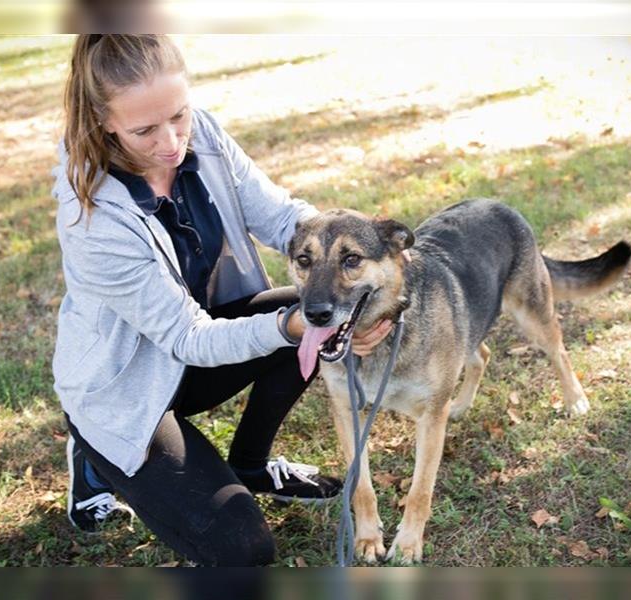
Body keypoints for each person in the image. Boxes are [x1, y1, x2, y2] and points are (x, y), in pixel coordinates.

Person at [52, 34, 393, 566]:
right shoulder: (92, 219)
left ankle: (252, 466)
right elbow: (187, 336)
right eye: (145, 129)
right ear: (103, 122)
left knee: (316, 311)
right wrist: (291, 327)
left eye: (179, 116)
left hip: (196, 348)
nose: (171, 142)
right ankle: (97, 453)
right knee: (242, 549)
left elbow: (285, 220)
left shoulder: (201, 133)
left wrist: (347, 253)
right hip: (126, 388)